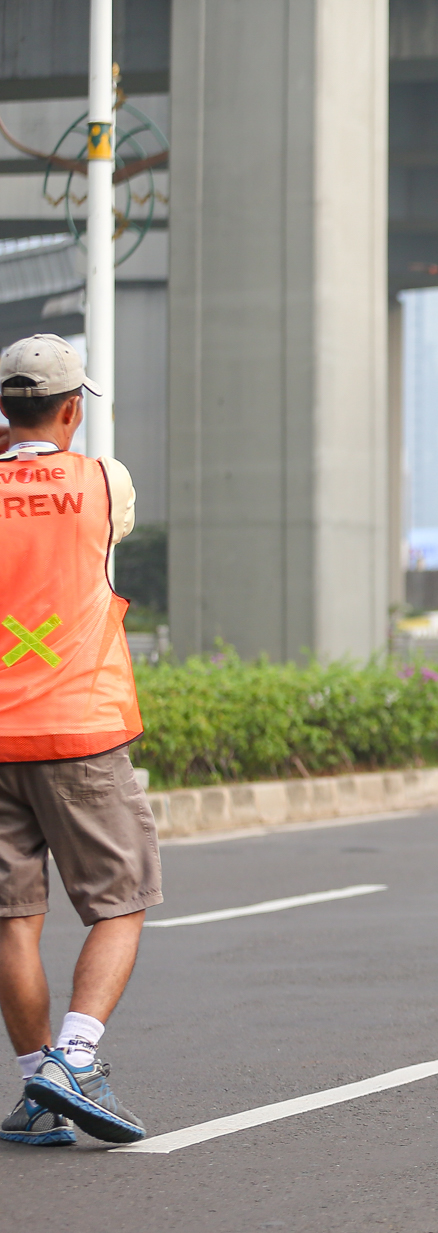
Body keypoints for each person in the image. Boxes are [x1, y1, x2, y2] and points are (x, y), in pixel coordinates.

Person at [0, 334, 157, 1147]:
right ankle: (76, 1058)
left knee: (11, 919)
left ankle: (36, 1090)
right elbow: (103, 530)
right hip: (81, 726)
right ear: (71, 410)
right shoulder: (102, 481)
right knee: (120, 900)